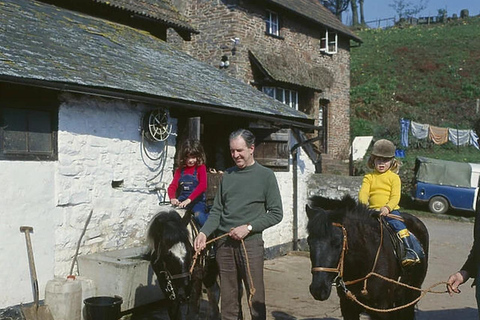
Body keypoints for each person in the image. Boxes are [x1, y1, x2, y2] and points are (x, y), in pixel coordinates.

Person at [194, 129, 283, 320]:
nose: (235, 155)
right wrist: (203, 233)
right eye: (232, 151)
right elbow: (216, 211)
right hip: (224, 246)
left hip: (250, 245)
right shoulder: (228, 176)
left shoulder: (266, 176)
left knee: (255, 298)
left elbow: (276, 214)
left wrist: (248, 227)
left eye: (239, 150)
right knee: (228, 300)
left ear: (251, 148)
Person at [358, 139, 422, 267]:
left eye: (385, 160)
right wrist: (363, 206)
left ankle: (409, 251)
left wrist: (387, 207)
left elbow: (395, 197)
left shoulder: (394, 178)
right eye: (378, 160)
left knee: (399, 226)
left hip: (390, 211)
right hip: (371, 212)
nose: (381, 163)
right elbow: (364, 193)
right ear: (373, 160)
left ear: (392, 162)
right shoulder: (369, 177)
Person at [167, 139, 208, 226]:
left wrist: (189, 199)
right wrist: (172, 198)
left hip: (197, 203)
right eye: (187, 157)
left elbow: (203, 185)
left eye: (193, 157)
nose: (190, 160)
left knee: (199, 216)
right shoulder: (179, 170)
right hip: (182, 202)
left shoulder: (201, 168)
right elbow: (173, 186)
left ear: (198, 157)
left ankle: (209, 236)